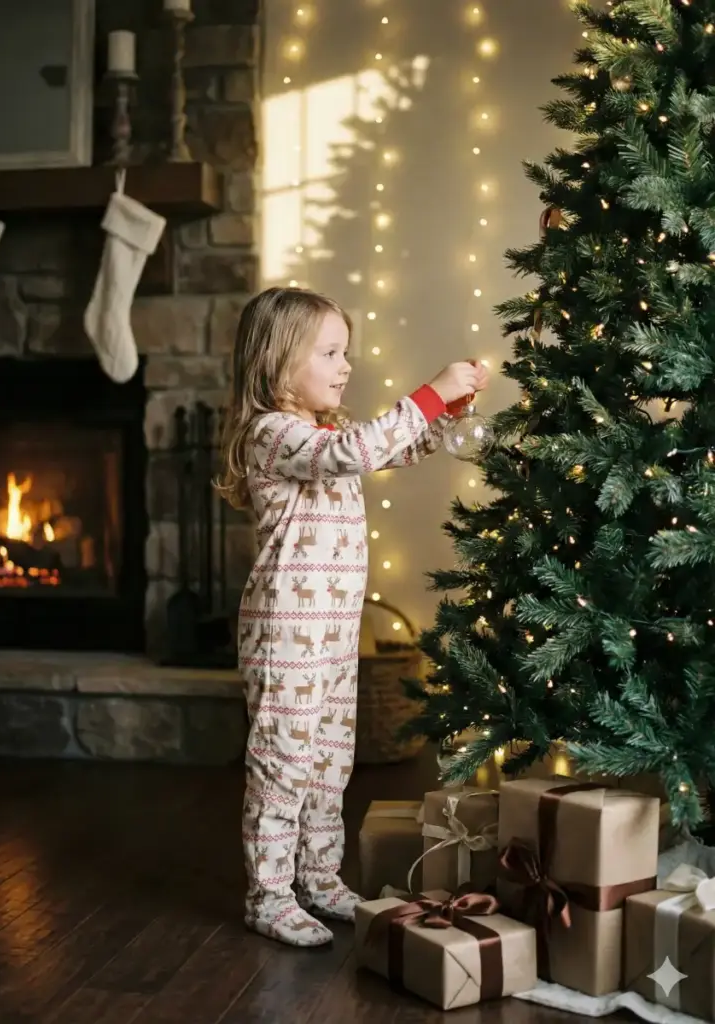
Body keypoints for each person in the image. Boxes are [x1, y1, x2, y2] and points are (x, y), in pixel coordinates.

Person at [217, 286, 490, 946]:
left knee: (329, 761)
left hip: (333, 634)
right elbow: (357, 453)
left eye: (348, 353)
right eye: (331, 353)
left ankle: (317, 876)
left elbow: (388, 448)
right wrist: (427, 391)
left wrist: (442, 415)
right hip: (286, 634)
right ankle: (268, 893)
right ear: (279, 361)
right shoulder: (273, 434)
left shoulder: (325, 432)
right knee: (284, 762)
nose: (347, 366)